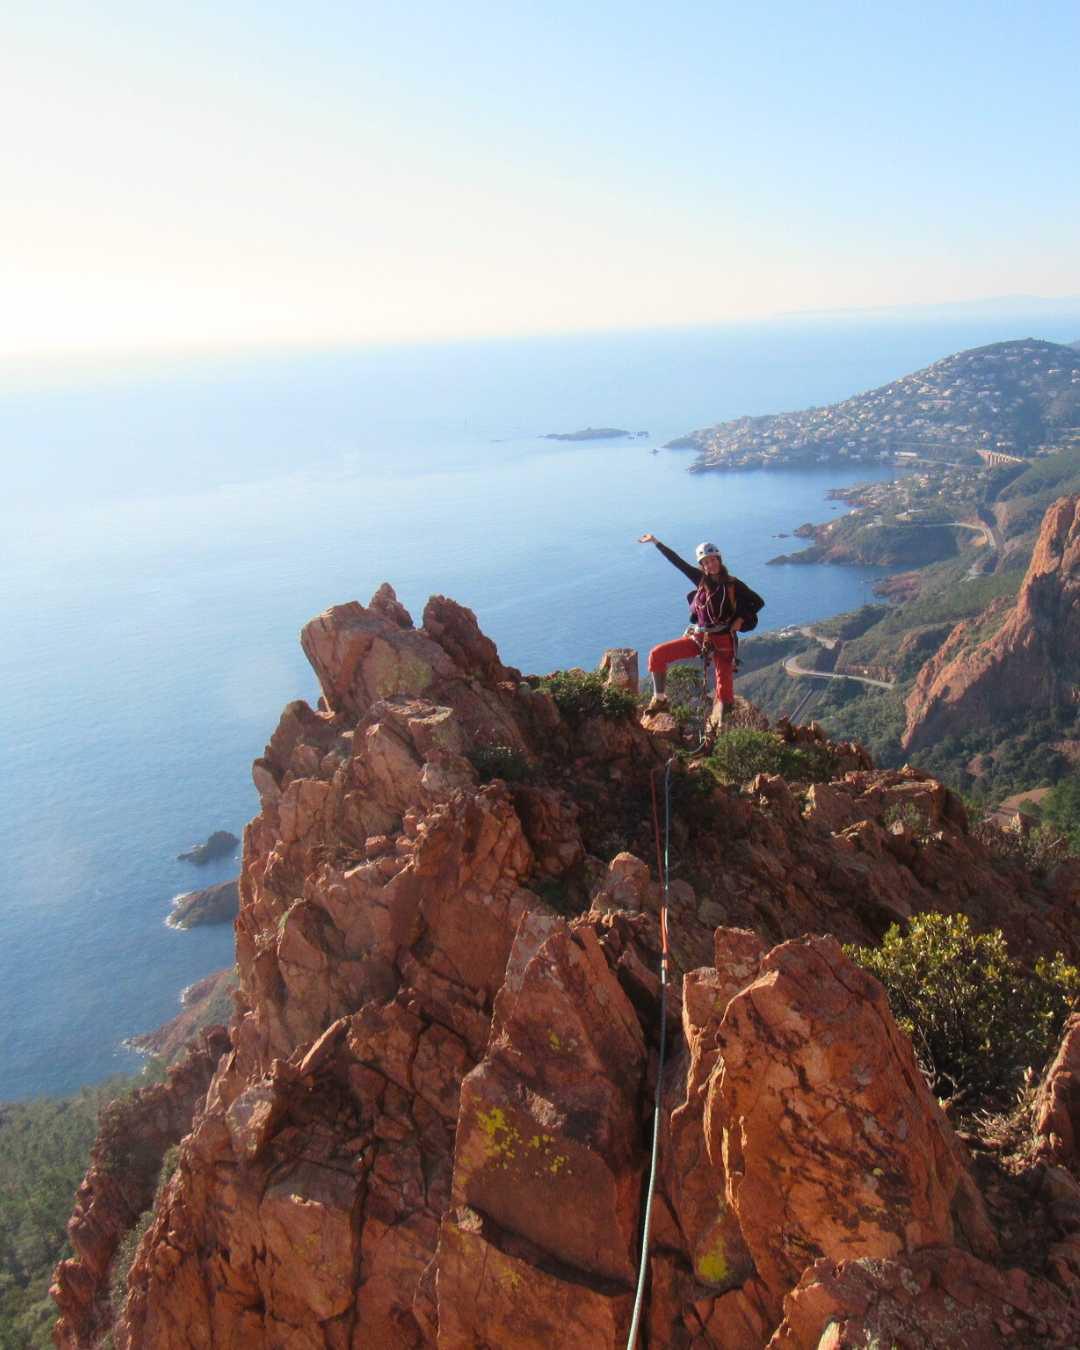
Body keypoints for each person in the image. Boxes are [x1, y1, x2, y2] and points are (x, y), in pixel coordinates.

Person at [638, 533, 764, 725]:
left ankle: (722, 726)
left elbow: (758, 602)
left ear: (719, 560)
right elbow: (678, 563)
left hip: (723, 640)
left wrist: (740, 619)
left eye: (713, 560)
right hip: (701, 637)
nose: (710, 564)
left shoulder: (733, 584)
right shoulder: (701, 580)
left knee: (724, 691)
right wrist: (656, 542)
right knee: (657, 655)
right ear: (702, 566)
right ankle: (660, 699)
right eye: (706, 562)